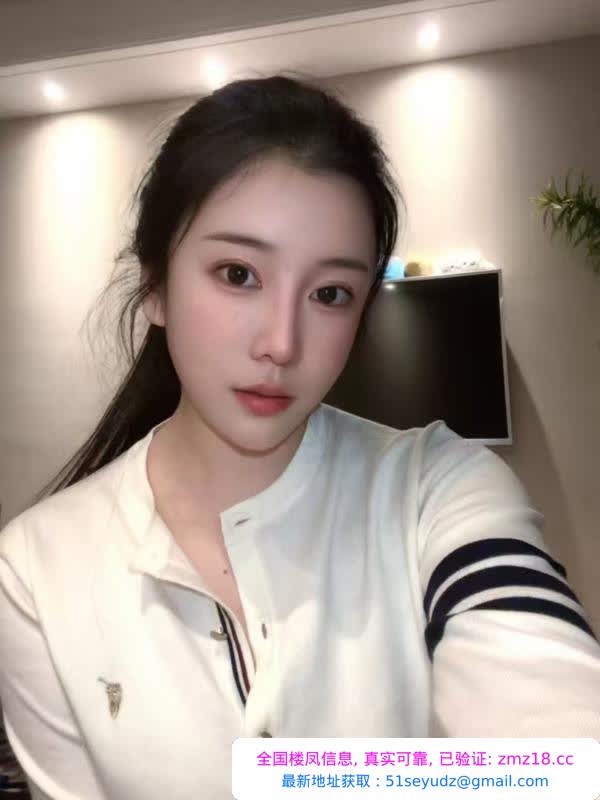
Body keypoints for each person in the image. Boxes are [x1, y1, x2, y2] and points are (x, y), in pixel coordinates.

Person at [1, 72, 600, 800]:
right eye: (238, 274)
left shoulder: (436, 489)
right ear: (155, 284)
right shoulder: (33, 571)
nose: (282, 343)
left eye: (330, 294)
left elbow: (551, 736)